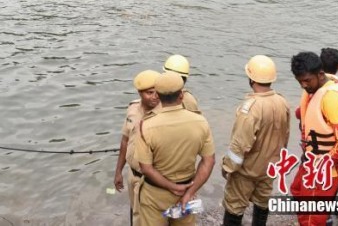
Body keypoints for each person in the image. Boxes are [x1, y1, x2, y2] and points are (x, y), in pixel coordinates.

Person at [289, 51, 338, 226]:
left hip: (323, 167)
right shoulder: (321, 87)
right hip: (312, 159)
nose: (304, 85)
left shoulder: (331, 99)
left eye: (307, 80)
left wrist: (324, 164)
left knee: (312, 218)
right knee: (297, 190)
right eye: (300, 82)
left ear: (320, 74)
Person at [135, 72, 215, 226]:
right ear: (181, 95)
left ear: (158, 96)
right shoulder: (201, 122)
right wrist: (190, 192)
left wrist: (172, 187)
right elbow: (209, 161)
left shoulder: (146, 126)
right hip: (187, 190)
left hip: (154, 194)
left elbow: (146, 168)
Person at [221, 55, 290, 226]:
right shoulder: (282, 102)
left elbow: (239, 145)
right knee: (262, 204)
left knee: (234, 207)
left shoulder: (250, 108)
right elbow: (285, 136)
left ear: (251, 79)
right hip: (270, 168)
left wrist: (227, 167)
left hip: (247, 171)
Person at [113, 70, 161, 222]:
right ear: (140, 93)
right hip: (132, 175)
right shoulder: (133, 109)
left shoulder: (164, 114)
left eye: (158, 92)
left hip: (152, 180)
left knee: (150, 218)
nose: (155, 96)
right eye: (150, 93)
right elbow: (125, 140)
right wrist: (118, 171)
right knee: (134, 212)